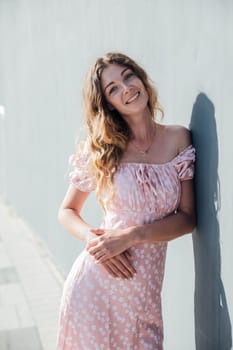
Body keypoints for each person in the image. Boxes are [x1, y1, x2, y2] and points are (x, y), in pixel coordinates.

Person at [56, 52, 196, 350]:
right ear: (108, 104)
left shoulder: (178, 139)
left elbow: (188, 217)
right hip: (96, 288)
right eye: (113, 89)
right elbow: (67, 211)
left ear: (141, 77)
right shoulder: (103, 150)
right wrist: (93, 239)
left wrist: (134, 235)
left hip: (145, 293)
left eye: (128, 76)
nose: (127, 88)